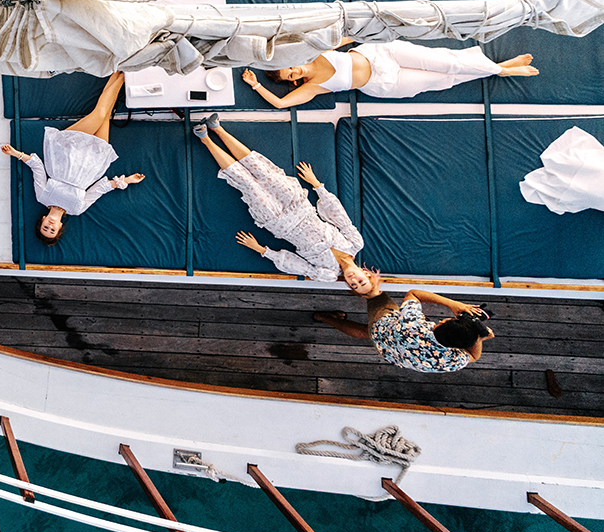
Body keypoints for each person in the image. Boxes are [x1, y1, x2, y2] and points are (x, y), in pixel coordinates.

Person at [192, 114, 379, 290]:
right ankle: (218, 130)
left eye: (354, 286)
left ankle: (205, 139)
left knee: (248, 184)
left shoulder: (328, 274)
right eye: (361, 281)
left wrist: (261, 249)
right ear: (366, 273)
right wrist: (316, 184)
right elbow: (338, 215)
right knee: (263, 171)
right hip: (300, 206)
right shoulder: (355, 243)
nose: (353, 280)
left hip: (280, 223)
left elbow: (294, 264)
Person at [0, 72, 144, 245]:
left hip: (67, 152)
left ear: (43, 220)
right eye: (52, 230)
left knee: (100, 113)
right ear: (60, 227)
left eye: (45, 227)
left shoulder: (43, 197)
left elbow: (37, 167)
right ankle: (119, 71)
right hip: (92, 160)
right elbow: (100, 189)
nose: (50, 226)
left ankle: (126, 73)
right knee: (106, 114)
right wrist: (128, 180)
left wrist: (15, 153)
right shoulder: (77, 209)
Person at [243, 35, 536, 104]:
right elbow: (282, 104)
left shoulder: (315, 50)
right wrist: (256, 85)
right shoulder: (313, 87)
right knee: (443, 80)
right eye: (291, 76)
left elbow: (345, 36)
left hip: (382, 53)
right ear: (294, 81)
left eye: (290, 67)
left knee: (447, 60)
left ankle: (500, 69)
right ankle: (500, 68)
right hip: (387, 83)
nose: (295, 71)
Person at [314, 290, 493, 374]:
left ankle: (356, 290)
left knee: (373, 292)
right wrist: (479, 337)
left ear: (441, 324)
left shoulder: (413, 324)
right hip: (390, 352)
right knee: (367, 333)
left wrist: (453, 304)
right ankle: (325, 318)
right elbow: (474, 356)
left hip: (383, 325)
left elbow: (413, 294)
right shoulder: (453, 361)